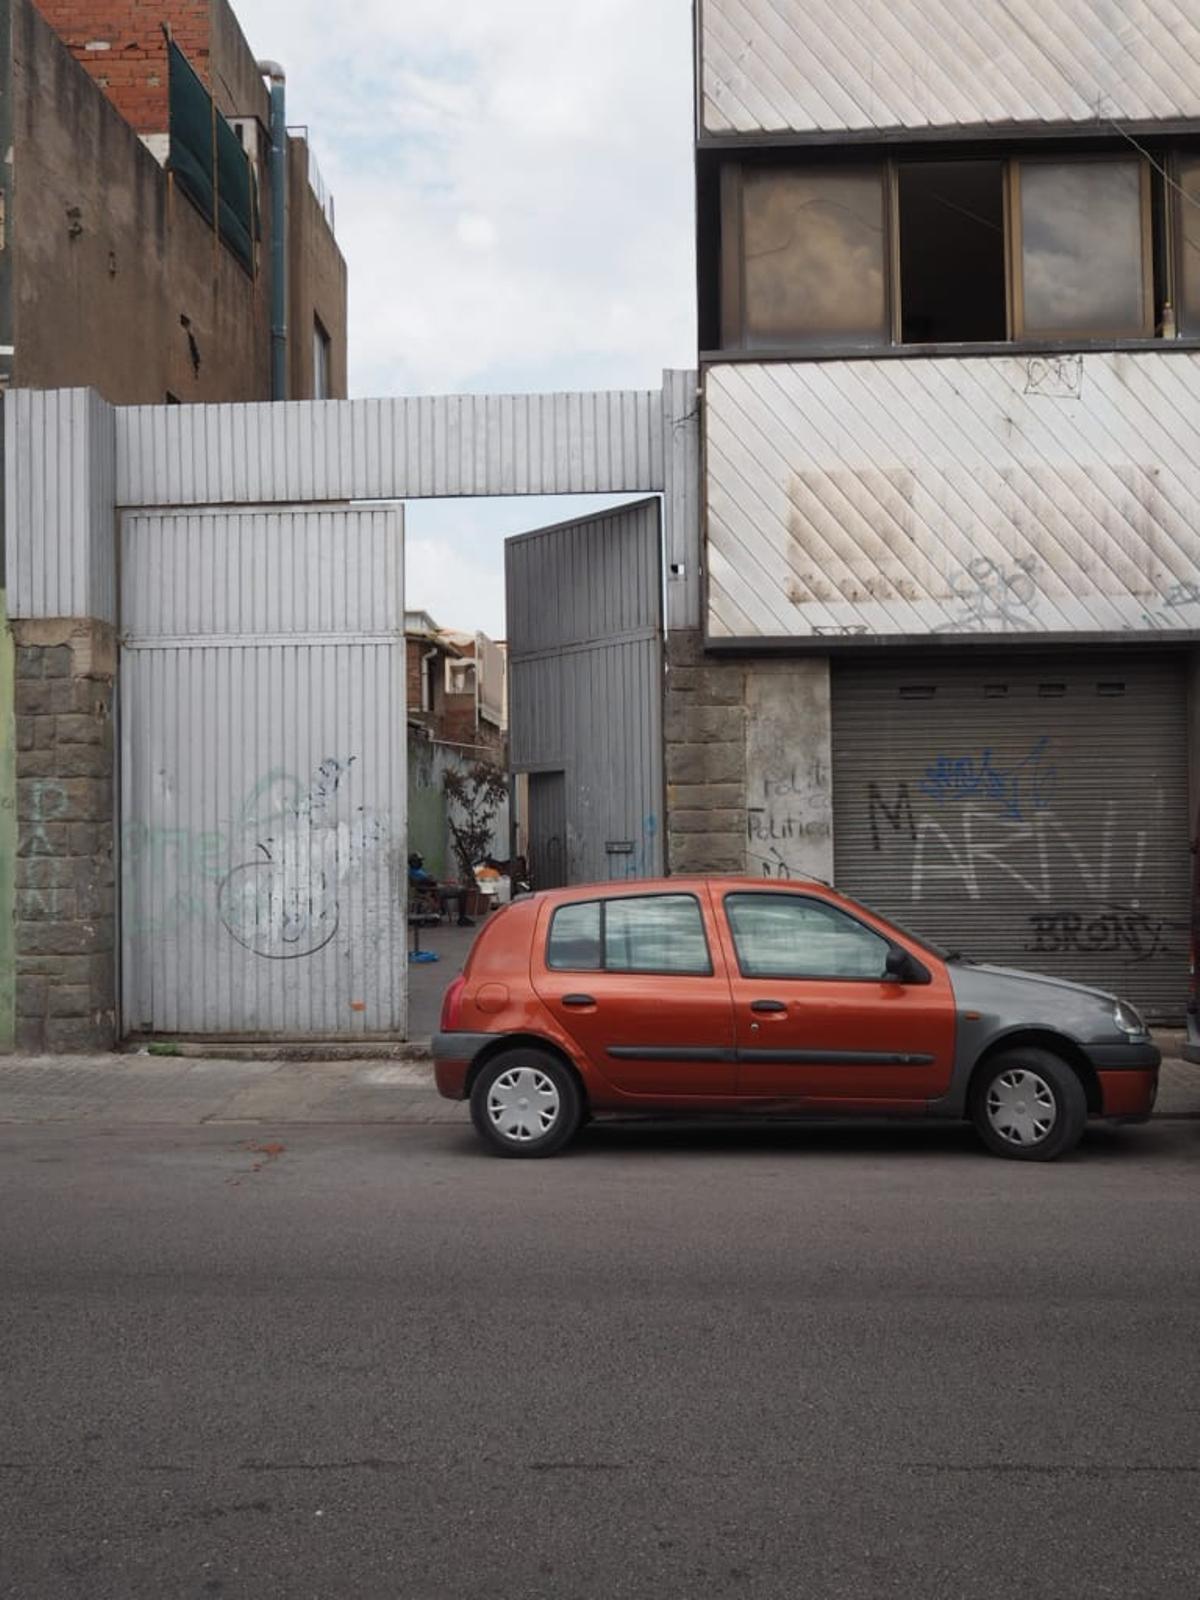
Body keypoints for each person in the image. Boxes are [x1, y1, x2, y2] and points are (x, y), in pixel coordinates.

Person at [408, 853, 474, 927]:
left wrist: (446, 883)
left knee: (460, 887)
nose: (421, 863)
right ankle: (462, 918)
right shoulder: (416, 872)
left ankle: (459, 916)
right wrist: (445, 883)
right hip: (436, 890)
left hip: (436, 888)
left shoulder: (413, 871)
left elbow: (431, 880)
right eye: (419, 861)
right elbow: (432, 881)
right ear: (414, 862)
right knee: (462, 891)